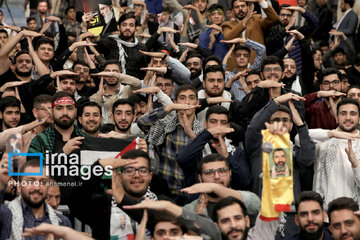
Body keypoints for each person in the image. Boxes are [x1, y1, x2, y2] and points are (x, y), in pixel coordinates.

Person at [69, 150, 158, 240]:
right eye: (129, 170)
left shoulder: (162, 205)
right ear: (120, 176)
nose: (136, 175)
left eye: (142, 170)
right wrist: (99, 166)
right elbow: (75, 200)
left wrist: (122, 200)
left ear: (150, 176)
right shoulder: (102, 205)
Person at [137, 85, 204, 203]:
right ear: (176, 102)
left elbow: (206, 160)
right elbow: (142, 122)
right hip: (163, 191)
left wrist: (190, 133)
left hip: (191, 193)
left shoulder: (202, 132)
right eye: (182, 98)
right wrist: (170, 108)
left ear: (197, 102)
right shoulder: (164, 125)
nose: (187, 102)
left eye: (191, 98)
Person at [245, 92, 315, 198]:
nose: (281, 123)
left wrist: (300, 125)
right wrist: (276, 102)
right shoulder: (258, 146)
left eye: (285, 120)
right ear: (267, 124)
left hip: (289, 210)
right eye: (276, 120)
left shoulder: (294, 150)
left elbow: (308, 158)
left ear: (291, 126)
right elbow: (254, 128)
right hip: (264, 208)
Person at [28, 91, 86, 203]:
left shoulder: (86, 140)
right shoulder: (39, 141)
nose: (65, 112)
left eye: (69, 108)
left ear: (76, 111)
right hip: (47, 206)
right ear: (52, 111)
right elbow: (33, 173)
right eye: (59, 108)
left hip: (82, 207)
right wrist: (62, 153)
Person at [177, 106, 252, 190]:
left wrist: (227, 157)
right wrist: (207, 133)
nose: (218, 126)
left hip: (228, 200)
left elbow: (245, 182)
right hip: (199, 200)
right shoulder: (196, 149)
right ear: (205, 124)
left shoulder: (236, 152)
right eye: (213, 122)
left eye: (223, 122)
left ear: (228, 126)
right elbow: (181, 159)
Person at [0, 160, 72, 239]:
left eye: (43, 182)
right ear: (19, 187)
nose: (37, 187)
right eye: (31, 181)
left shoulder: (62, 222)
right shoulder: (5, 215)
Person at [182, 153, 259, 221]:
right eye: (209, 173)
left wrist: (214, 187)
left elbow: (255, 204)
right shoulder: (189, 210)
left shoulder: (244, 199)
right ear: (200, 177)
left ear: (230, 173)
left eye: (222, 171)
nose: (217, 176)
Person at [312, 98, 360, 206]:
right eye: (343, 113)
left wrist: (355, 164)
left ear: (359, 118)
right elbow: (299, 138)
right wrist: (332, 134)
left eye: (353, 114)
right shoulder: (324, 140)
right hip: (325, 213)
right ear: (337, 118)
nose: (348, 118)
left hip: (354, 214)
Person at [222, 0, 278, 68]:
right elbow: (228, 38)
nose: (240, 9)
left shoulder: (256, 19)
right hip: (236, 68)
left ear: (248, 8)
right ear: (233, 10)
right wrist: (246, 18)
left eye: (242, 6)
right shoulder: (227, 25)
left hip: (257, 65)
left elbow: (273, 19)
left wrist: (260, 1)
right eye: (237, 7)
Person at [213, 196, 279, 240]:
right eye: (225, 221)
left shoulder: (259, 236)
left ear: (247, 221)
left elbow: (275, 200)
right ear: (216, 227)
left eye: (238, 218)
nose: (233, 225)